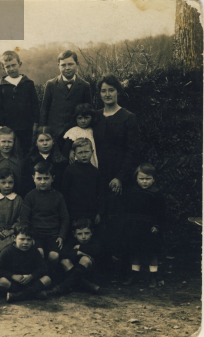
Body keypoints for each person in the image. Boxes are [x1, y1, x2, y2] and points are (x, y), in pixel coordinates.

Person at [92, 74, 140, 272]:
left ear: (118, 91)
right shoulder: (95, 117)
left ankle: (123, 269)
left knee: (120, 223)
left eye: (111, 90)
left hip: (120, 178)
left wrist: (120, 177)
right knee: (100, 220)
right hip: (98, 177)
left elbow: (133, 151)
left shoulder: (128, 117)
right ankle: (102, 268)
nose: (107, 94)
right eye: (103, 91)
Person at [21, 161, 69, 277]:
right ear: (33, 178)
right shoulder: (30, 196)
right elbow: (24, 218)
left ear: (53, 178)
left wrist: (61, 236)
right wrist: (29, 237)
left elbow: (65, 218)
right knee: (39, 253)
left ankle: (50, 277)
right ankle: (38, 278)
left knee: (54, 256)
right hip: (36, 235)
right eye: (39, 178)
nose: (42, 182)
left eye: (46, 178)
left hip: (53, 235)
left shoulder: (58, 196)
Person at [122, 164, 165, 288]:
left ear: (153, 179)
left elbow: (161, 213)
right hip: (135, 226)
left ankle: (153, 277)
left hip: (150, 228)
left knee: (151, 252)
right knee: (135, 251)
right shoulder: (133, 192)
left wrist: (157, 226)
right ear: (136, 179)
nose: (145, 181)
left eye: (148, 178)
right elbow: (129, 210)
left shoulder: (157, 194)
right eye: (141, 179)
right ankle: (134, 275)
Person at [39, 50, 92, 143]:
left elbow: (88, 110)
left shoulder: (85, 85)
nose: (67, 68)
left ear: (77, 64)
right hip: (54, 133)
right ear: (58, 66)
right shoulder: (51, 84)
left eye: (70, 64)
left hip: (75, 134)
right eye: (63, 65)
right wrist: (43, 132)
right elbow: (44, 109)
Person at [0, 51, 40, 153]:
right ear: (3, 67)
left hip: (26, 128)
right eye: (8, 66)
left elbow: (35, 106)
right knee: (12, 152)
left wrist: (35, 124)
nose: (11, 69)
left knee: (26, 151)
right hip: (9, 129)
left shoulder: (28, 84)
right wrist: (2, 127)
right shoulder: (0, 87)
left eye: (14, 65)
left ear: (20, 64)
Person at [0, 224, 50, 303]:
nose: (25, 242)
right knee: (2, 281)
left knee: (47, 279)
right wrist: (12, 276)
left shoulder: (34, 251)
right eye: (22, 239)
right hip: (15, 282)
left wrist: (32, 276)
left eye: (29, 239)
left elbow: (43, 268)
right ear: (14, 238)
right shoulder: (7, 251)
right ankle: (34, 294)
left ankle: (18, 296)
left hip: (30, 281)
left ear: (33, 240)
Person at [48, 218, 102, 296]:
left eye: (86, 233)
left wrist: (80, 247)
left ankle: (61, 288)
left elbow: (97, 250)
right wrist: (77, 253)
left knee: (85, 259)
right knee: (64, 261)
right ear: (74, 234)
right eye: (80, 234)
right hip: (76, 273)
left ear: (92, 232)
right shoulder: (72, 242)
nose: (84, 237)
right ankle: (86, 285)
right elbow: (63, 253)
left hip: (91, 274)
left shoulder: (95, 242)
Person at [61, 138, 103, 226]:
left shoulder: (96, 172)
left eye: (86, 152)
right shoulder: (69, 170)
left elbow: (100, 193)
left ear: (92, 152)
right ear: (74, 154)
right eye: (80, 152)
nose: (84, 155)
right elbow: (65, 192)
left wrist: (99, 213)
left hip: (91, 212)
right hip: (73, 212)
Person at [24, 126, 67, 193]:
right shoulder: (29, 161)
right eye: (41, 141)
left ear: (53, 141)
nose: (45, 143)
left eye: (47, 140)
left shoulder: (61, 161)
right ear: (36, 143)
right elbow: (26, 185)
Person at [0, 126, 25, 196]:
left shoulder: (19, 162)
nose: (6, 145)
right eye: (3, 141)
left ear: (14, 142)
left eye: (9, 142)